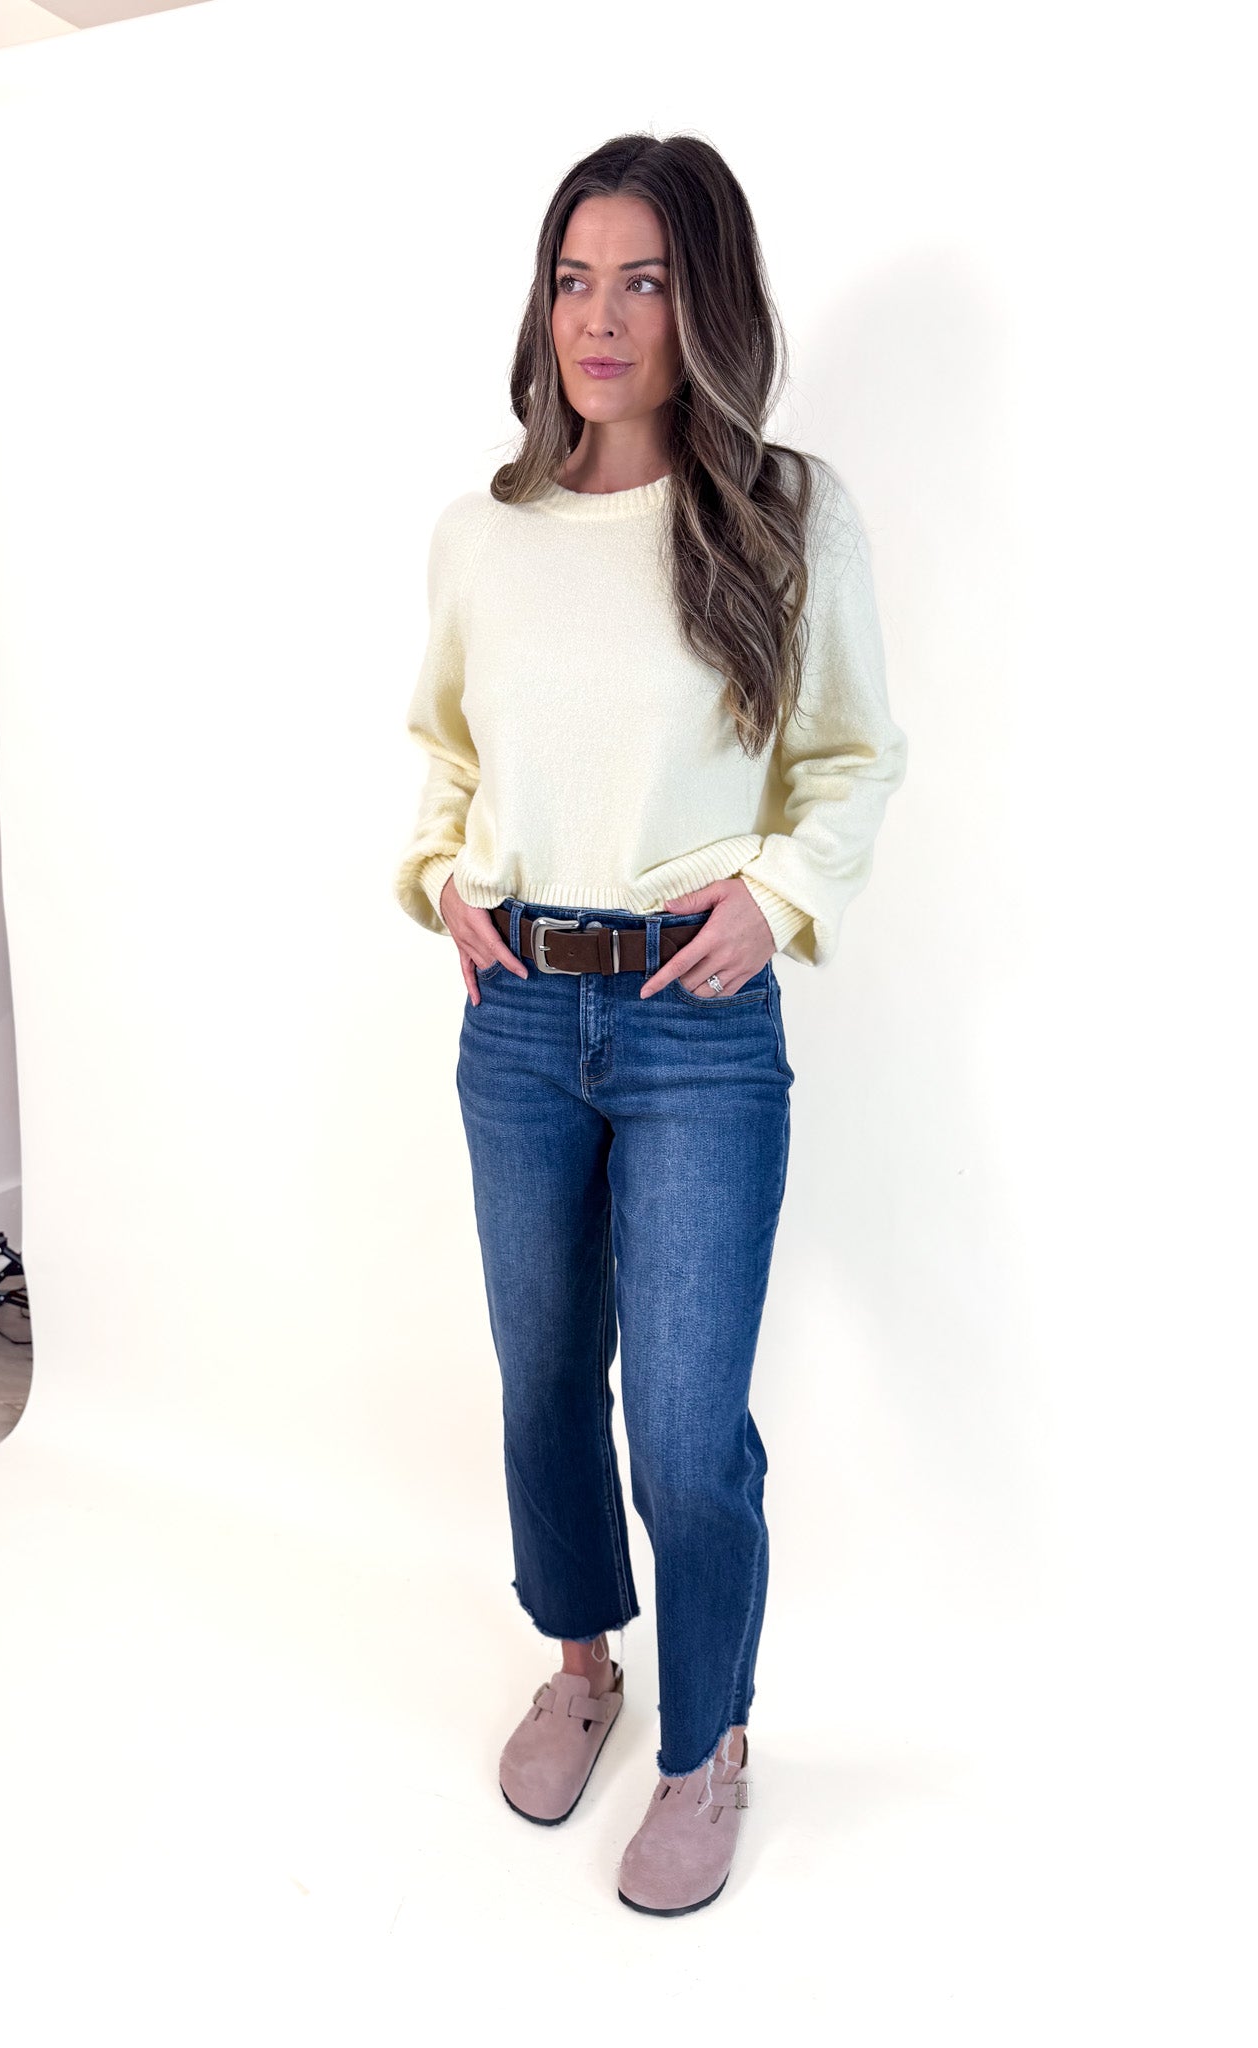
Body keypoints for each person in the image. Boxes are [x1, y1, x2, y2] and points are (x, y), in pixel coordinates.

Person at [393, 132, 908, 1917]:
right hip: (520, 1014)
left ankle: (709, 1748)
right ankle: (581, 1665)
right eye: (574, 279)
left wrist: (776, 899)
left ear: (710, 307)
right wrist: (440, 879)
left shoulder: (785, 512)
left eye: (646, 281)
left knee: (687, 1431)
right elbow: (447, 753)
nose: (600, 319)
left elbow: (851, 757)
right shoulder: (484, 534)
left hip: (699, 1024)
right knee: (544, 1379)